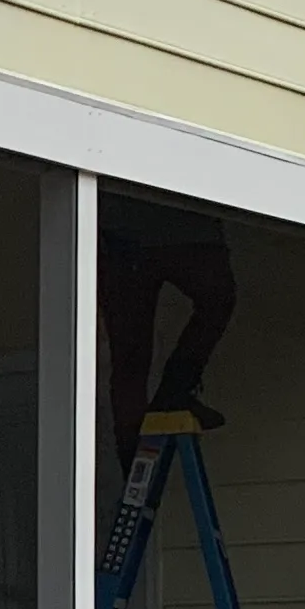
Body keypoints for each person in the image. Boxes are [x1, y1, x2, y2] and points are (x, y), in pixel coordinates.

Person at [99, 192, 238, 465]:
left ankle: (173, 393)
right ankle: (134, 458)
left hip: (139, 229)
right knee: (131, 356)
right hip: (132, 232)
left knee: (130, 356)